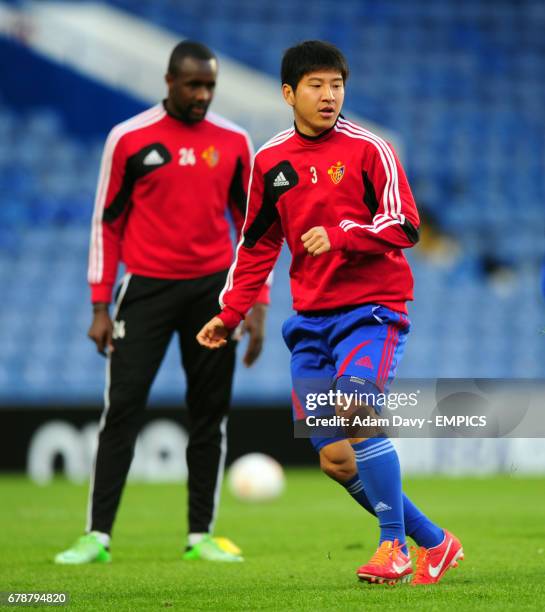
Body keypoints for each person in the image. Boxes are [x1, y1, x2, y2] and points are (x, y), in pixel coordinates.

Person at [197, 40, 463, 584]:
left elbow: (407, 225)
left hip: (372, 309)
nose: (328, 96)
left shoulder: (371, 149)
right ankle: (435, 542)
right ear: (289, 94)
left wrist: (344, 234)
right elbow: (256, 245)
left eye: (336, 85)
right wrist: (230, 313)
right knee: (336, 460)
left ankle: (394, 548)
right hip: (312, 322)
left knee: (356, 408)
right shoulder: (271, 162)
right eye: (316, 86)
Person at [55, 41, 268, 565]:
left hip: (213, 293)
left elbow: (255, 228)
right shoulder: (128, 139)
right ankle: (96, 537)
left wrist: (255, 303)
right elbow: (107, 223)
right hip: (146, 288)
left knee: (209, 413)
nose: (202, 95)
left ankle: (201, 536)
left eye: (210, 86)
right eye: (193, 85)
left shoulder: (236, 142)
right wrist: (100, 306)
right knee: (123, 408)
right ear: (169, 81)